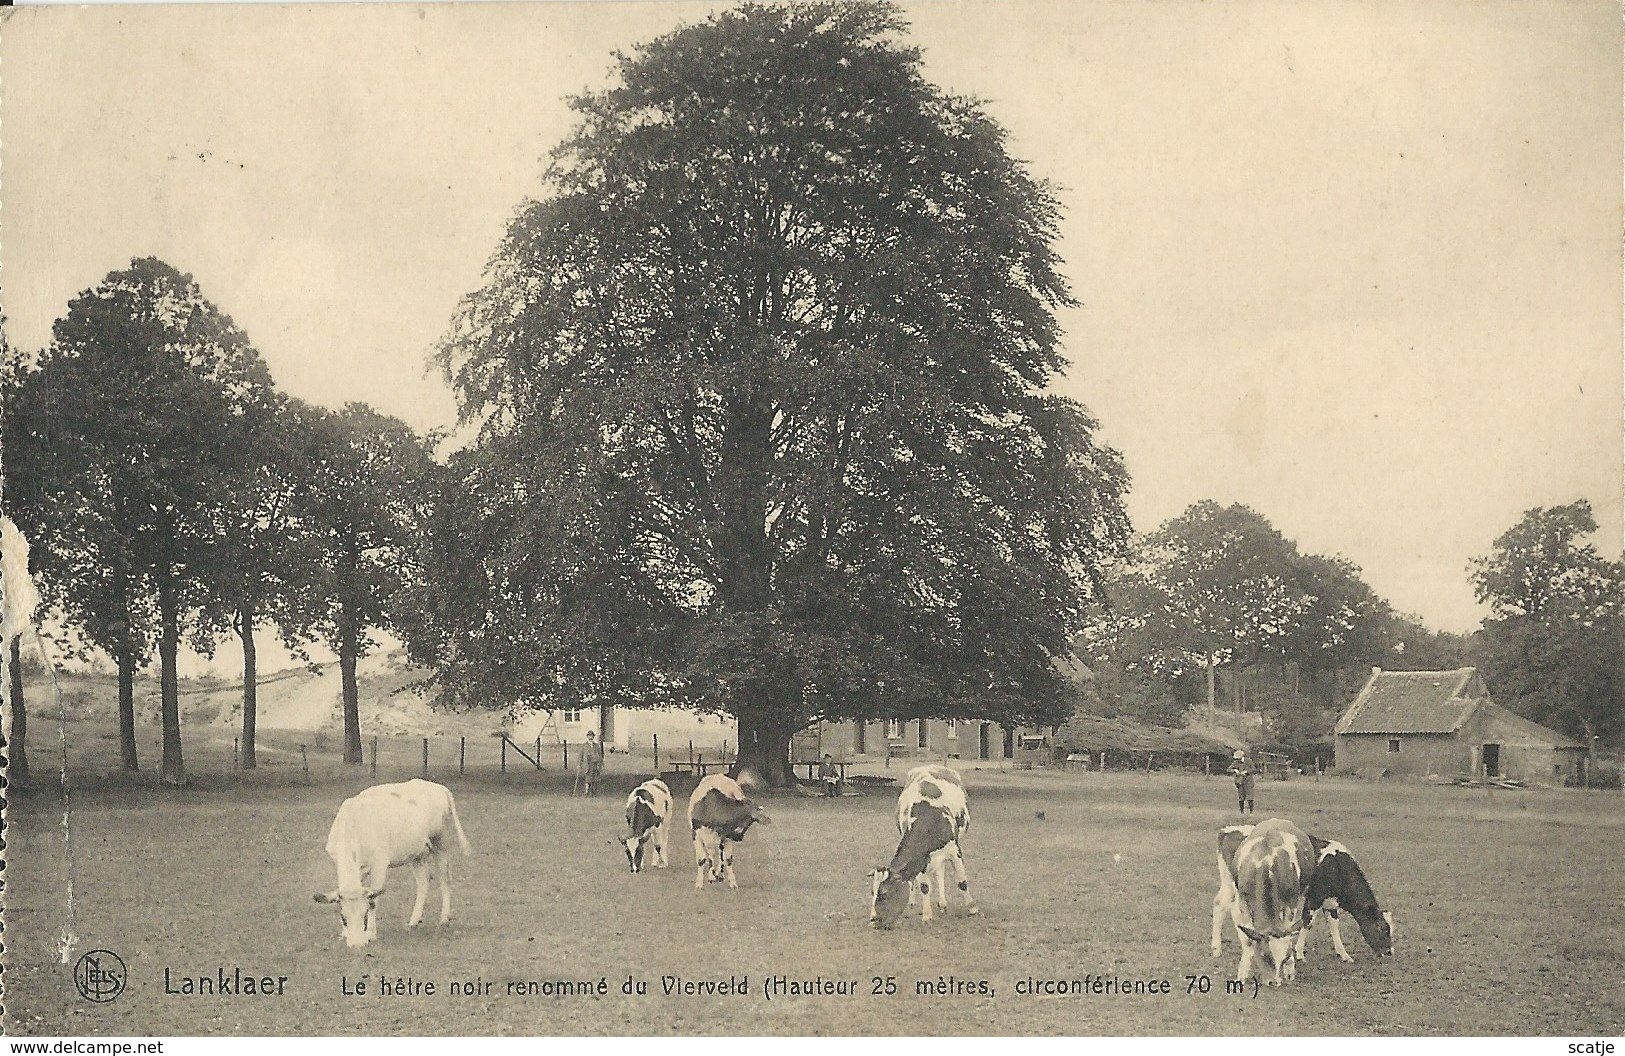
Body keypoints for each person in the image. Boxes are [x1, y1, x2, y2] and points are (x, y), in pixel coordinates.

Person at [577, 729, 605, 797]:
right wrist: (579, 764)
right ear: (587, 737)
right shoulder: (584, 746)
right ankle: (586, 792)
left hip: (595, 764)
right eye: (589, 736)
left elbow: (600, 755)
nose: (590, 737)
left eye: (592, 736)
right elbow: (581, 755)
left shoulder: (596, 746)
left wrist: (601, 764)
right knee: (588, 779)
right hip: (587, 765)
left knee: (595, 779)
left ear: (593, 737)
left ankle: (593, 793)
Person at [1228, 749, 1257, 815]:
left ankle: (1251, 812)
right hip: (1240, 782)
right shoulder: (1236, 762)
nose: (1237, 760)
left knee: (1250, 797)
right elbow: (1228, 769)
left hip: (1248, 781)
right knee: (1241, 797)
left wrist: (1246, 771)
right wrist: (1235, 770)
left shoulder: (1249, 761)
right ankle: (1242, 812)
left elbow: (1253, 769)